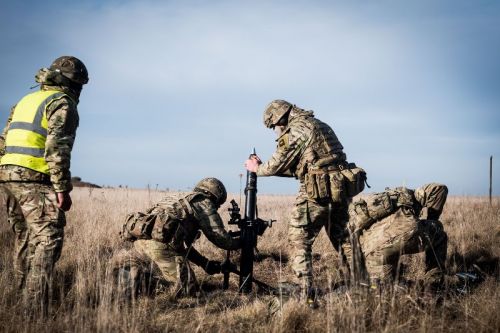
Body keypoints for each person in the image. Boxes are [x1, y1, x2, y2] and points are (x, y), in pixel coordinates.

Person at [244, 100, 366, 304]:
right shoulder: (319, 124)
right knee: (343, 238)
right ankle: (363, 283)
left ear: (279, 118)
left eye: (274, 125)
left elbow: (278, 163)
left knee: (298, 237)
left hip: (317, 192)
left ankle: (304, 291)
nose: (275, 130)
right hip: (340, 190)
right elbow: (299, 165)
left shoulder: (297, 129)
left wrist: (256, 167)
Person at [0, 56, 88, 313]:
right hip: (34, 178)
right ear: (73, 84)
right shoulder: (63, 103)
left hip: (6, 176)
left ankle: (19, 295)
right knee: (49, 238)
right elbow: (57, 149)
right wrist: (62, 188)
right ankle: (33, 308)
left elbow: (3, 140)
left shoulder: (25, 101)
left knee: (26, 237)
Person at [113, 177, 240, 297]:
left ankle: (133, 274)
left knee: (181, 279)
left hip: (140, 243)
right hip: (160, 248)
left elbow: (184, 246)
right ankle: (143, 282)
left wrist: (205, 264)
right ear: (215, 195)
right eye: (218, 204)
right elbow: (219, 237)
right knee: (187, 291)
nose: (217, 207)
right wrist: (241, 242)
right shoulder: (203, 202)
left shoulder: (179, 200)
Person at [345, 183, 449, 287]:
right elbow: (439, 188)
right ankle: (434, 281)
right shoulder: (410, 195)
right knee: (439, 232)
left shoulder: (369, 215)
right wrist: (432, 218)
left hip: (372, 254)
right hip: (404, 234)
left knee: (388, 287)